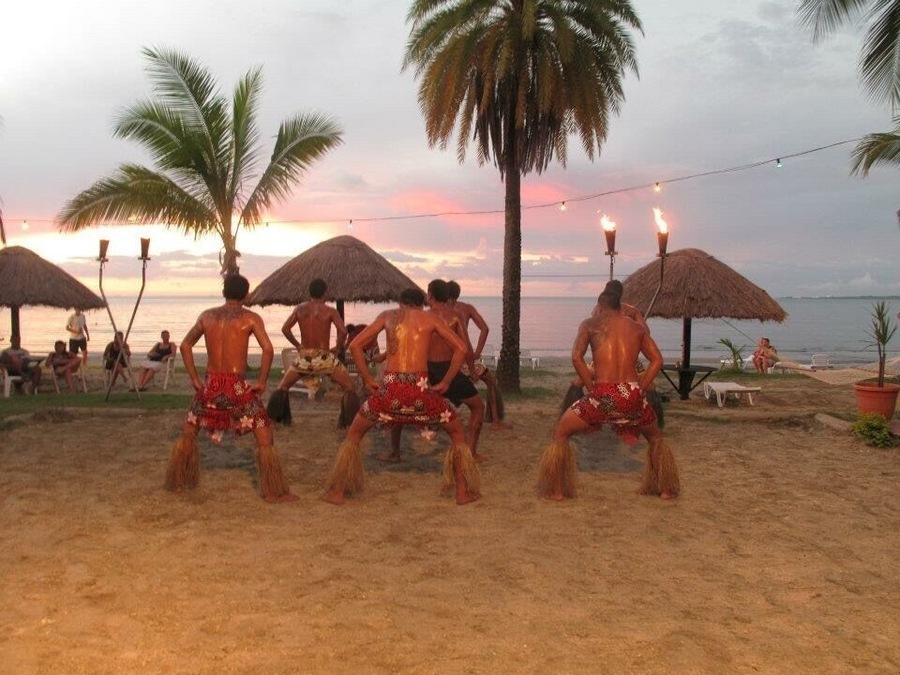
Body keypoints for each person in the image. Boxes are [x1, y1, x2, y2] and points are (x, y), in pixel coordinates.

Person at [324, 287, 480, 506]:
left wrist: (368, 379)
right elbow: (461, 348)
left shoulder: (387, 316)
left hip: (390, 392)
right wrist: (446, 381)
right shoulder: (431, 318)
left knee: (354, 434)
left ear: (400, 303)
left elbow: (355, 345)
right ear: (421, 303)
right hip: (421, 392)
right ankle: (462, 493)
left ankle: (337, 492)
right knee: (456, 433)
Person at [164, 274, 296, 503]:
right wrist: (262, 381)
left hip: (211, 384)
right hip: (235, 386)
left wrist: (195, 379)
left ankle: (178, 482)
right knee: (264, 433)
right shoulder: (250, 317)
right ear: (245, 294)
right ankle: (272, 491)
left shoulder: (207, 316)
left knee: (189, 431)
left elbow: (185, 346)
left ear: (224, 292)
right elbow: (267, 350)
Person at [538, 289, 680, 501]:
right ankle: (666, 489)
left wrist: (590, 386)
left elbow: (576, 357)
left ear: (601, 306)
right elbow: (657, 360)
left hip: (601, 396)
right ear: (620, 306)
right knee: (656, 438)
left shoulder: (590, 324)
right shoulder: (637, 328)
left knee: (560, 433)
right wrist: (641, 388)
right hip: (631, 395)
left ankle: (557, 491)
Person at [383, 279, 486, 463]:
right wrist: (472, 370)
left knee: (399, 406)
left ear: (430, 295)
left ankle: (394, 452)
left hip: (424, 371)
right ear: (447, 296)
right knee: (478, 407)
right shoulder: (455, 317)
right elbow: (466, 348)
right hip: (448, 370)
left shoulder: (422, 317)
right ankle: (470, 453)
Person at [266, 278, 359, 427]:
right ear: (325, 293)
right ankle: (347, 424)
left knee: (282, 387)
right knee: (350, 388)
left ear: (309, 292)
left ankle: (277, 421)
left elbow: (285, 329)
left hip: (306, 357)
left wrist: (297, 345)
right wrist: (337, 347)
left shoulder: (299, 309)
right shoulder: (330, 311)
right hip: (324, 356)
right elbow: (343, 331)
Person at [446, 279, 509, 429]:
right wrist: (476, 353)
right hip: (464, 362)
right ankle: (495, 422)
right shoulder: (466, 309)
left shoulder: (437, 312)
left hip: (445, 362)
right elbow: (484, 329)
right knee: (491, 382)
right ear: (458, 294)